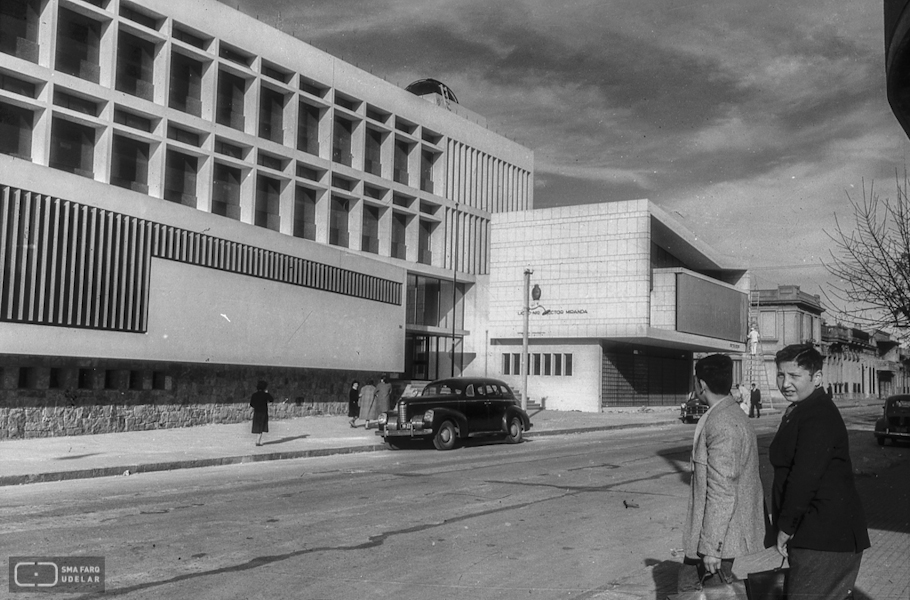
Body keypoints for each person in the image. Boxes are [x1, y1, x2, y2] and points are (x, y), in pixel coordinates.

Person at [770, 344, 870, 600]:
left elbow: (804, 478)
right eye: (781, 374)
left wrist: (784, 527)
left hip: (824, 538)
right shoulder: (805, 410)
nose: (785, 383)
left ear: (816, 378)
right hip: (820, 535)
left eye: (794, 376)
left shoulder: (817, 415)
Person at [678, 354, 765, 594]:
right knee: (690, 588)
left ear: (701, 384)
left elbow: (722, 489)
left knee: (693, 590)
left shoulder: (722, 422)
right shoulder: (731, 413)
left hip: (719, 537)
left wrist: (712, 547)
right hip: (717, 533)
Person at [250, 380, 274, 446]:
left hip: (257, 412)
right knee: (261, 426)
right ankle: (258, 441)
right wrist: (267, 393)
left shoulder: (254, 395)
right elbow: (271, 399)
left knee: (258, 425)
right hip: (263, 412)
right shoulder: (265, 395)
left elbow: (251, 404)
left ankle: (258, 440)